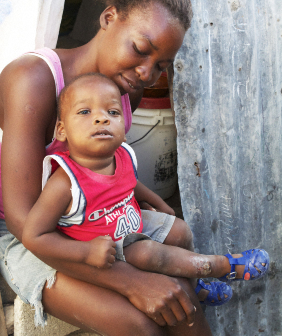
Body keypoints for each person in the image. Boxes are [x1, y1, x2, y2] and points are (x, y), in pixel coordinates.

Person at [0, 0, 268, 336]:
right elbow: (25, 222)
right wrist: (131, 281)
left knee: (179, 300)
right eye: (141, 49)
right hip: (33, 232)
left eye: (161, 65)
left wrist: (149, 208)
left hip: (97, 215)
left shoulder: (126, 90)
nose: (146, 72)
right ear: (109, 18)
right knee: (137, 324)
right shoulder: (33, 80)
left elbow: (106, 170)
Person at [22, 73, 269, 311]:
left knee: (180, 229)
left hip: (131, 223)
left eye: (112, 112)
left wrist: (157, 201)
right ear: (62, 130)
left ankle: (196, 287)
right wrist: (85, 252)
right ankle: (220, 265)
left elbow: (130, 183)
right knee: (146, 254)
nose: (101, 118)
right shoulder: (65, 182)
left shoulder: (122, 153)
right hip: (104, 248)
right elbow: (34, 236)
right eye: (85, 112)